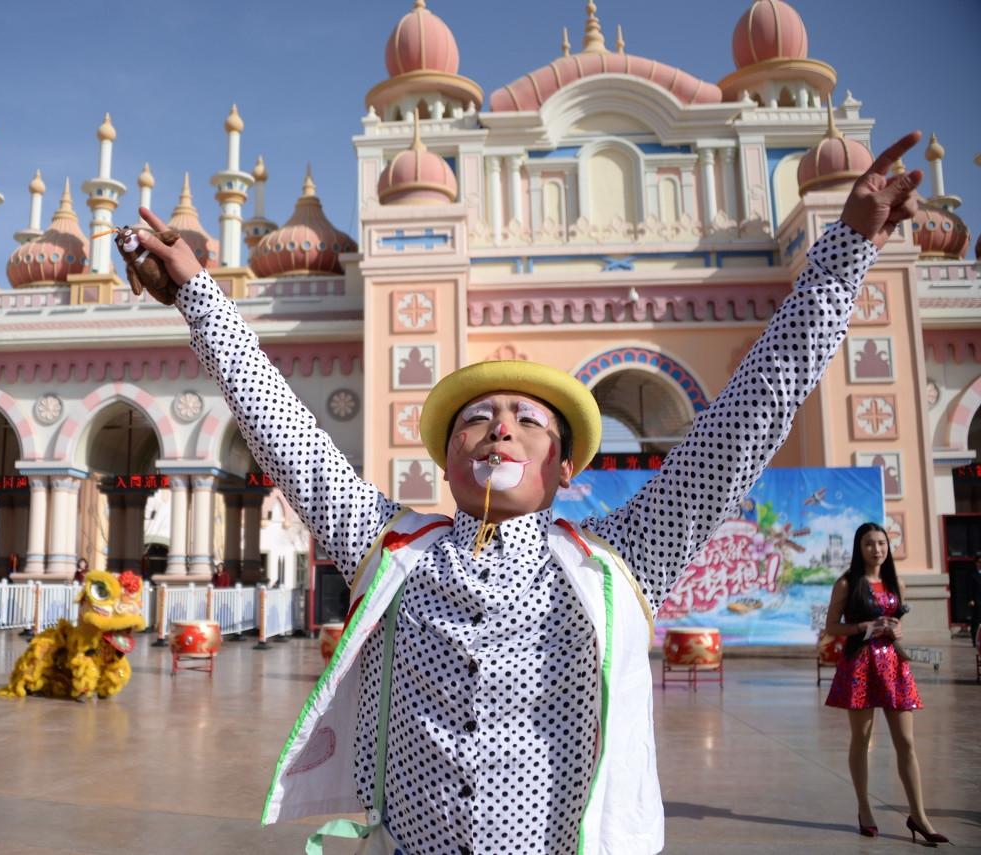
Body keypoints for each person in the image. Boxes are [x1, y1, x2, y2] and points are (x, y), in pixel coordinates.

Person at [122, 132, 923, 854]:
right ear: (446, 460)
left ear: (564, 467)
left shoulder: (620, 563)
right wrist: (199, 293)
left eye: (527, 420)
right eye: (475, 418)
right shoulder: (390, 549)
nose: (499, 429)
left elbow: (752, 409)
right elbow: (282, 427)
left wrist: (846, 249)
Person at [823, 522, 947, 844]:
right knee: (861, 740)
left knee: (906, 742)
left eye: (881, 543)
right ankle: (864, 808)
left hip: (893, 666)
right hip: (861, 665)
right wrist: (864, 626)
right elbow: (832, 627)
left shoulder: (897, 583)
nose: (876, 549)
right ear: (858, 547)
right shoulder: (847, 583)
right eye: (869, 544)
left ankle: (919, 816)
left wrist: (898, 634)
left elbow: (899, 627)